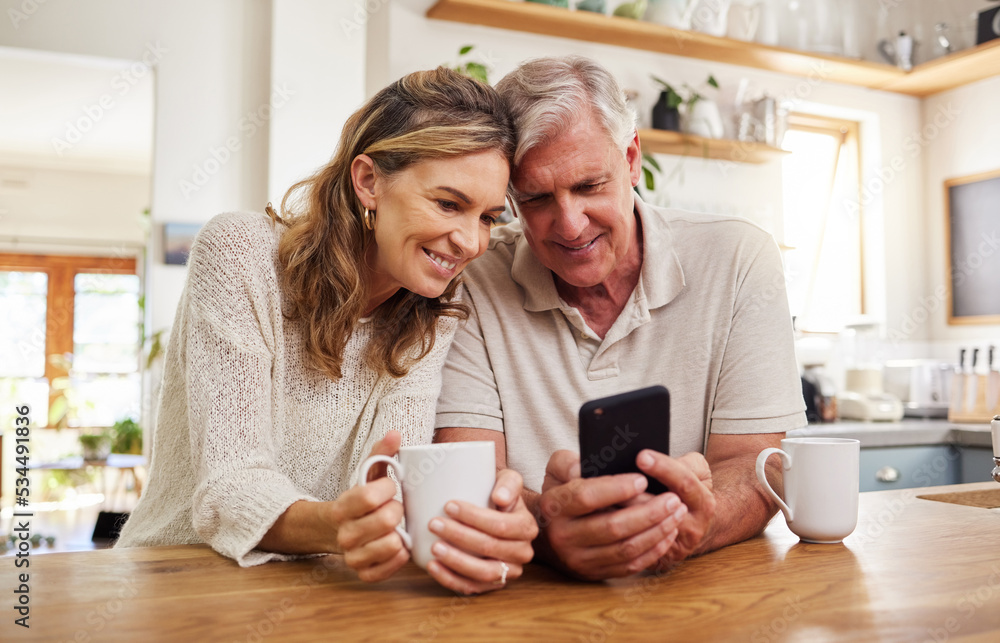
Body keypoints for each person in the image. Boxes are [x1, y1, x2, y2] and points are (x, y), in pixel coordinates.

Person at [117, 68, 538, 594]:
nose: (470, 242)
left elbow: (392, 478)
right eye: (449, 204)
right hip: (180, 579)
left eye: (488, 217)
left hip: (321, 589)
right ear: (369, 181)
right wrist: (339, 524)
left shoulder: (433, 305)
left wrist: (495, 518)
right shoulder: (240, 254)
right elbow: (229, 487)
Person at [434, 56, 806, 581]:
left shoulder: (740, 258)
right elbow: (471, 476)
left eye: (588, 186)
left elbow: (757, 462)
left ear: (631, 159)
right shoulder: (472, 277)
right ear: (510, 197)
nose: (569, 225)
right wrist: (549, 526)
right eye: (537, 198)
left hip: (709, 596)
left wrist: (692, 519)